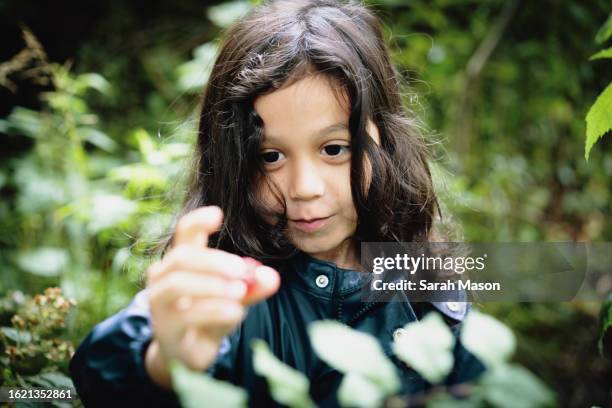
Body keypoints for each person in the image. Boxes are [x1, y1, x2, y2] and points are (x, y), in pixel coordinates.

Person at [69, 0, 484, 406]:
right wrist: (162, 363)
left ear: (385, 140)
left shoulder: (423, 280)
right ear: (233, 164)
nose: (304, 188)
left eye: (335, 148)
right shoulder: (232, 287)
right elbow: (103, 372)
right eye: (270, 157)